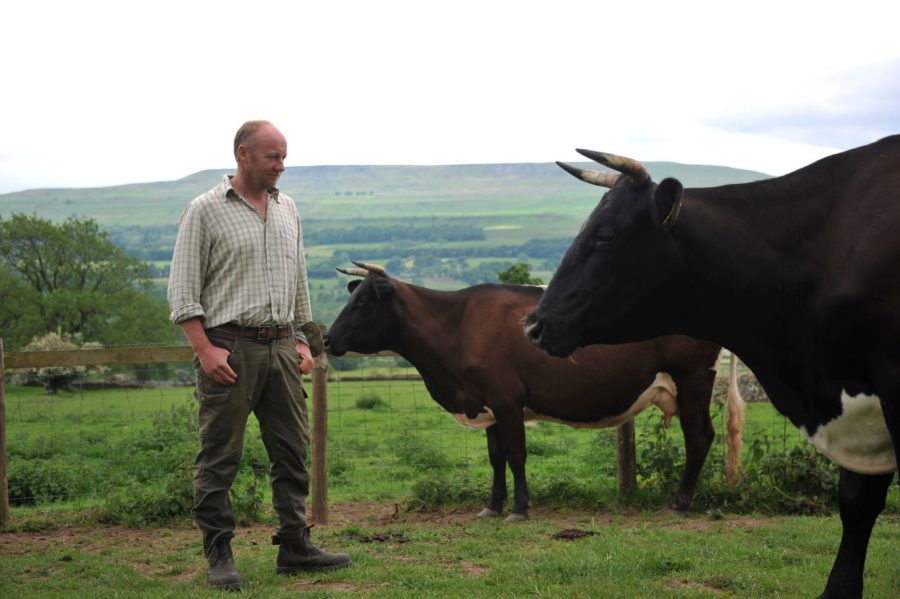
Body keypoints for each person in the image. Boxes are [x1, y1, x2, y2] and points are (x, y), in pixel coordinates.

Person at [168, 120, 351, 591]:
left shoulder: (288, 209)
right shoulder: (204, 210)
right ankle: (219, 554)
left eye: (284, 156)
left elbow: (299, 283)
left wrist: (304, 340)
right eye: (273, 157)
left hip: (282, 346)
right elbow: (183, 290)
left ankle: (295, 545)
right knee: (219, 456)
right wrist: (204, 349)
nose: (281, 166)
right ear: (243, 154)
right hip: (228, 347)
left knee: (292, 450)